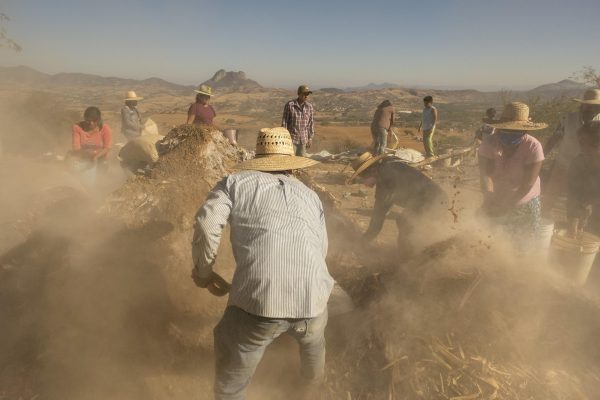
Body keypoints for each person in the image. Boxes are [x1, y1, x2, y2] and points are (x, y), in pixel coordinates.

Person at [191, 127, 333, 400]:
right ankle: (311, 391)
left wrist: (204, 272)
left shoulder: (234, 183)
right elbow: (321, 248)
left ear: (258, 158)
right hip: (315, 301)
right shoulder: (310, 195)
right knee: (313, 349)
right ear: (291, 165)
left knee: (230, 363)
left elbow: (207, 224)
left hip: (261, 303)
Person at [347, 151, 448, 249]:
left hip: (432, 202)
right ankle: (422, 253)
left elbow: (377, 221)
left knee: (405, 222)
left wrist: (362, 242)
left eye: (363, 177)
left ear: (372, 171)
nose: (363, 182)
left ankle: (408, 257)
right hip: (439, 199)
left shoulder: (385, 180)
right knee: (407, 223)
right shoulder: (389, 168)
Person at [478, 102, 547, 239]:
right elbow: (486, 174)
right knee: (492, 238)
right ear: (499, 129)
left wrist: (508, 205)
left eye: (515, 132)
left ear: (525, 131)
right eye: (506, 130)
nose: (510, 135)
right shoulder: (489, 143)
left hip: (524, 201)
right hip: (497, 196)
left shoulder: (533, 146)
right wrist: (489, 196)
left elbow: (528, 182)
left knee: (523, 241)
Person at [543, 89, 600, 216]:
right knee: (551, 194)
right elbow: (554, 138)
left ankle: (577, 230)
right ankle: (540, 221)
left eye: (595, 106)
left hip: (590, 170)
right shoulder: (567, 119)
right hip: (564, 164)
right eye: (588, 105)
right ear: (582, 105)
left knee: (582, 200)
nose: (591, 108)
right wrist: (541, 156)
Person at [567, 121, 600, 237]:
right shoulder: (577, 163)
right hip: (586, 211)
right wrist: (573, 224)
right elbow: (573, 195)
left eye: (594, 145)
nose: (586, 149)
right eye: (582, 144)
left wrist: (592, 204)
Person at [282, 85, 315, 157]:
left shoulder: (309, 107)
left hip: (303, 140)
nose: (306, 96)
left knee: (301, 162)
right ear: (299, 94)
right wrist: (284, 137)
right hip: (291, 139)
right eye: (304, 94)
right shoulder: (290, 105)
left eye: (307, 94)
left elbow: (310, 123)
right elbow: (284, 122)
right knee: (290, 161)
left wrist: (310, 138)